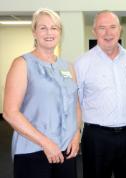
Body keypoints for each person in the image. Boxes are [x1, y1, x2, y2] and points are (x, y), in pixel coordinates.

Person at [3, 8, 81, 178]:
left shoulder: (68, 67)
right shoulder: (22, 64)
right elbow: (10, 113)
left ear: (60, 32)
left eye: (54, 28)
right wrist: (46, 143)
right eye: (43, 28)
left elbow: (75, 104)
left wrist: (77, 133)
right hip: (33, 149)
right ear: (34, 32)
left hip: (66, 149)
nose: (49, 33)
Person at [75, 10, 126, 178]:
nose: (108, 33)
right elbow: (77, 100)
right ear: (94, 31)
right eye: (102, 28)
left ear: (120, 29)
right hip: (96, 137)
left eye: (112, 27)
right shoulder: (83, 62)